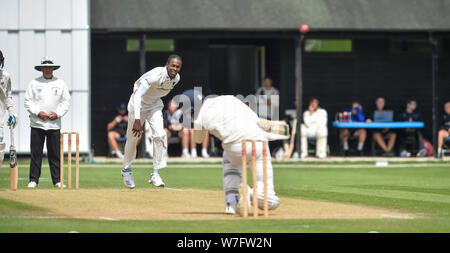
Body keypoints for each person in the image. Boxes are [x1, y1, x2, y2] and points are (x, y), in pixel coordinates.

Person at [193, 95, 281, 215]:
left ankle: (231, 203)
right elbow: (257, 121)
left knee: (228, 158)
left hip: (234, 149)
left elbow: (198, 140)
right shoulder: (230, 99)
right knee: (272, 200)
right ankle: (252, 193)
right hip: (259, 143)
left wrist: (199, 125)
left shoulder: (201, 117)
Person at [121, 54, 182, 189]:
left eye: (178, 67)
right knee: (133, 138)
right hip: (138, 104)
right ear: (167, 64)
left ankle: (155, 173)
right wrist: (138, 119)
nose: (175, 69)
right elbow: (137, 96)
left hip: (154, 105)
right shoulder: (155, 75)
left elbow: (157, 94)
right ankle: (126, 169)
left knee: (160, 135)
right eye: (173, 65)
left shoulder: (176, 79)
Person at [24, 57, 71, 188]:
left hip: (54, 124)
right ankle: (33, 180)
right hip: (37, 124)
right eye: (45, 67)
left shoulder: (60, 83)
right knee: (36, 154)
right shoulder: (34, 83)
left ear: (53, 69)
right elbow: (28, 101)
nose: (48, 70)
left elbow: (66, 101)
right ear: (41, 69)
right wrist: (38, 112)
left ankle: (57, 181)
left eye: (50, 67)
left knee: (55, 154)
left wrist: (58, 113)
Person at [0, 50, 18, 166]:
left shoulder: (5, 76)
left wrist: (11, 113)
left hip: (0, 119)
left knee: (0, 149)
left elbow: (8, 96)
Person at [180, 89, 210, 158]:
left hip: (197, 130)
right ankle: (187, 152)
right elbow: (182, 125)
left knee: (206, 131)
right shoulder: (186, 111)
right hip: (185, 131)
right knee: (188, 131)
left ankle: (204, 151)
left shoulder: (204, 113)